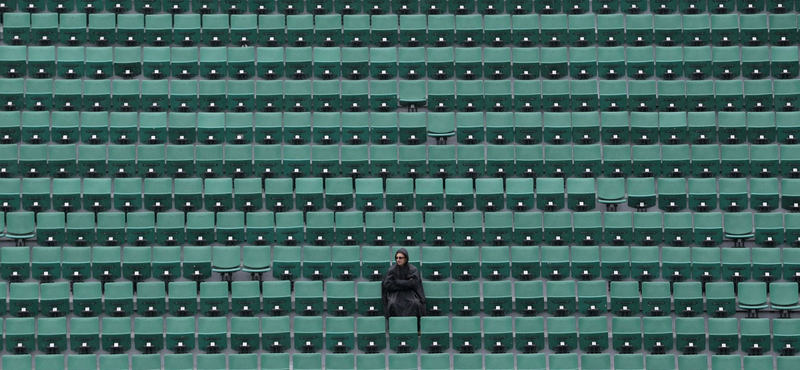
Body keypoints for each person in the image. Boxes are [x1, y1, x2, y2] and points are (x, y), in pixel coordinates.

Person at [382, 248, 426, 319]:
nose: (398, 260)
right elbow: (388, 285)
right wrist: (406, 283)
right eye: (396, 258)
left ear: (406, 258)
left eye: (400, 258)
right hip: (395, 294)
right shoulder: (391, 270)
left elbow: (414, 284)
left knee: (415, 303)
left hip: (410, 294)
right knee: (392, 304)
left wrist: (397, 282)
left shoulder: (413, 269)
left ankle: (416, 327)